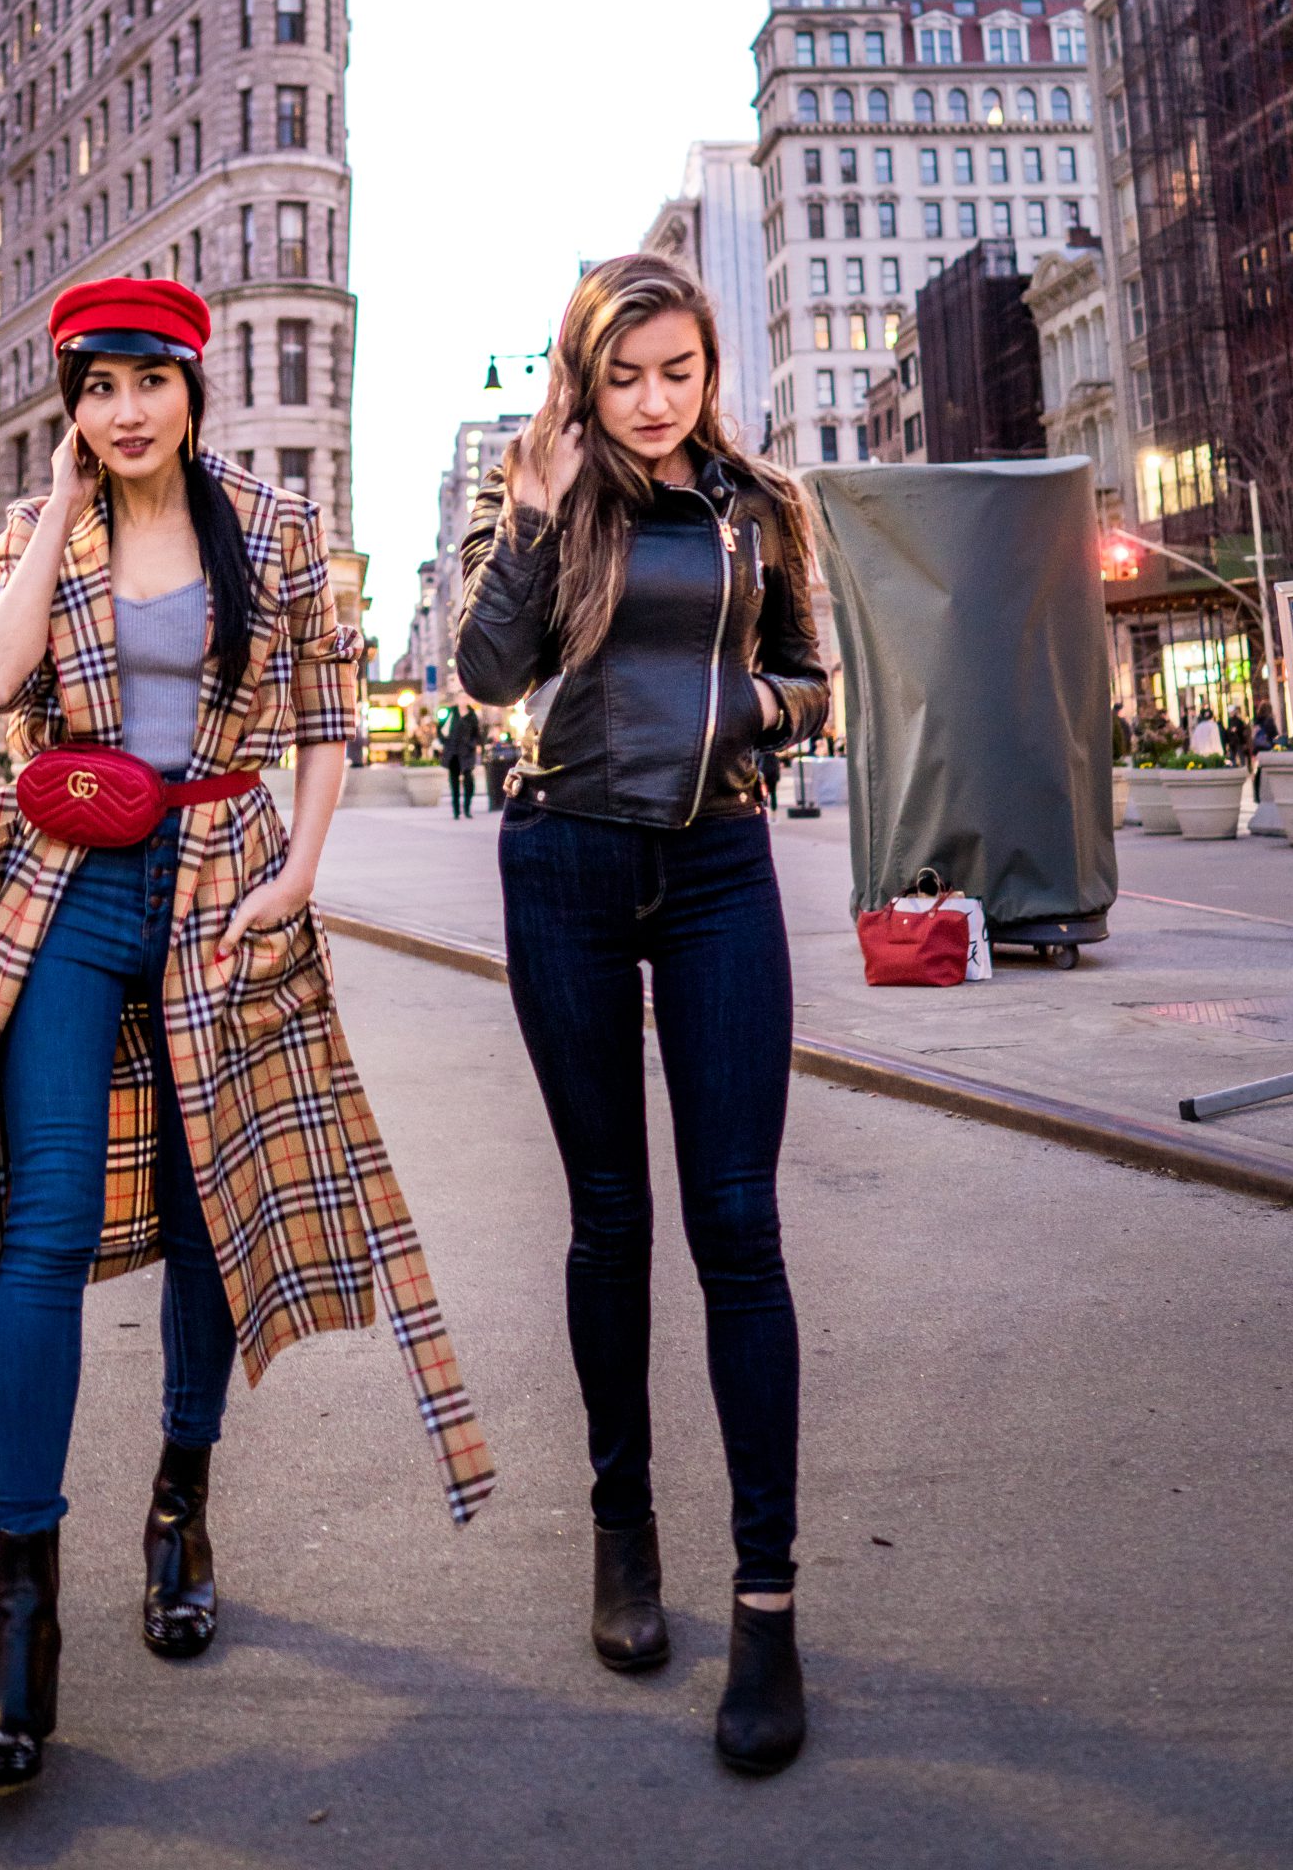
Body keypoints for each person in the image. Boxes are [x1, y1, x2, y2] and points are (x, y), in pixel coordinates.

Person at [0, 276, 492, 1791]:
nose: (125, 411)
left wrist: (301, 869)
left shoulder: (274, 530)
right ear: (74, 408)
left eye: (147, 380)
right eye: (96, 388)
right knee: (39, 1232)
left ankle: (181, 1498)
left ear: (192, 384)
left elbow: (327, 710)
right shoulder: (59, 527)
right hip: (68, 888)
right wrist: (45, 512)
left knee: (213, 1217)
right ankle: (20, 1610)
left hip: (223, 881)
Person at [455, 252, 828, 1779]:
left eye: (682, 371)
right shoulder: (543, 486)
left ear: (708, 367)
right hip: (569, 866)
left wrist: (743, 708)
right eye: (629, 377)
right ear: (583, 378)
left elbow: (814, 679)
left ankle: (767, 1603)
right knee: (610, 1216)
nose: (660, 402)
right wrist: (537, 513)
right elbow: (486, 673)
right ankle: (623, 1535)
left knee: (737, 1227)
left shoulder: (758, 504)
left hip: (723, 868)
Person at [438, 701, 481, 819]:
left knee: (469, 782)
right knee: (454, 783)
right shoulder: (451, 713)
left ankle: (467, 809)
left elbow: (477, 733)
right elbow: (440, 729)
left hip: (467, 752)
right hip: (453, 753)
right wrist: (445, 743)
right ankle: (456, 811)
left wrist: (473, 744)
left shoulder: (472, 715)